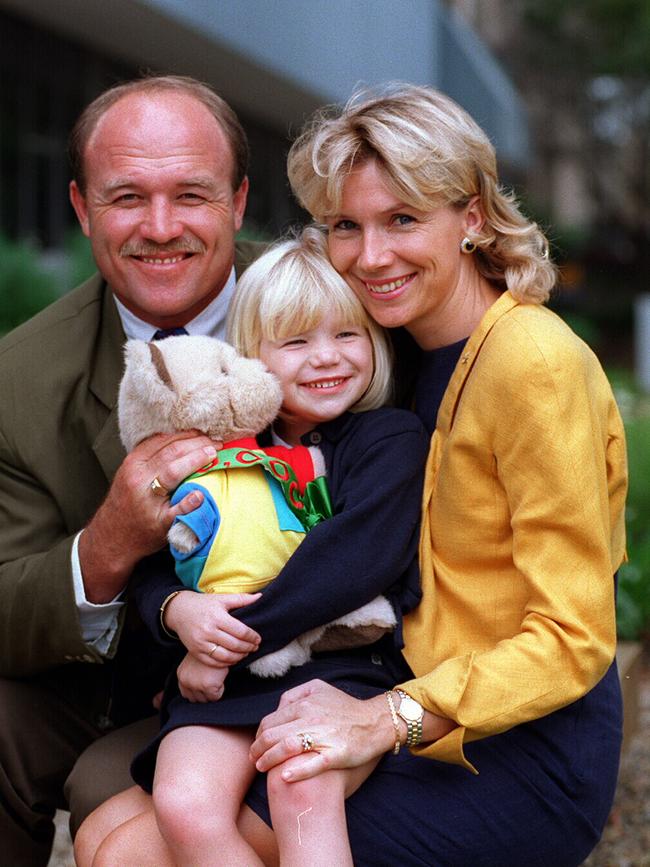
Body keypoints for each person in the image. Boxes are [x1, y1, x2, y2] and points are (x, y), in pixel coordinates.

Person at [241, 84, 628, 866]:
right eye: (346, 226)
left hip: (519, 749)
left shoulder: (533, 364)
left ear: (474, 218)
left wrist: (387, 719)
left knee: (198, 837)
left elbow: (571, 639)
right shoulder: (388, 351)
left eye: (404, 219)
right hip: (399, 694)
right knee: (130, 832)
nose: (371, 255)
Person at [73, 227, 428, 866]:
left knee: (301, 785)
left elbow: (351, 561)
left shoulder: (386, 440)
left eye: (347, 335)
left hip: (335, 671)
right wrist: (176, 613)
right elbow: (164, 556)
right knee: (184, 805)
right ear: (251, 355)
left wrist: (227, 646)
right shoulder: (218, 450)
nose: (328, 357)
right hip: (219, 683)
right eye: (296, 341)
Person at [0, 74, 266, 867]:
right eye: (126, 198)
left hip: (293, 664)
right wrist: (106, 545)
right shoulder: (18, 377)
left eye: (191, 194)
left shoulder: (322, 317)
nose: (160, 227)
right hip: (94, 675)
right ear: (82, 209)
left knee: (107, 790)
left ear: (238, 203)